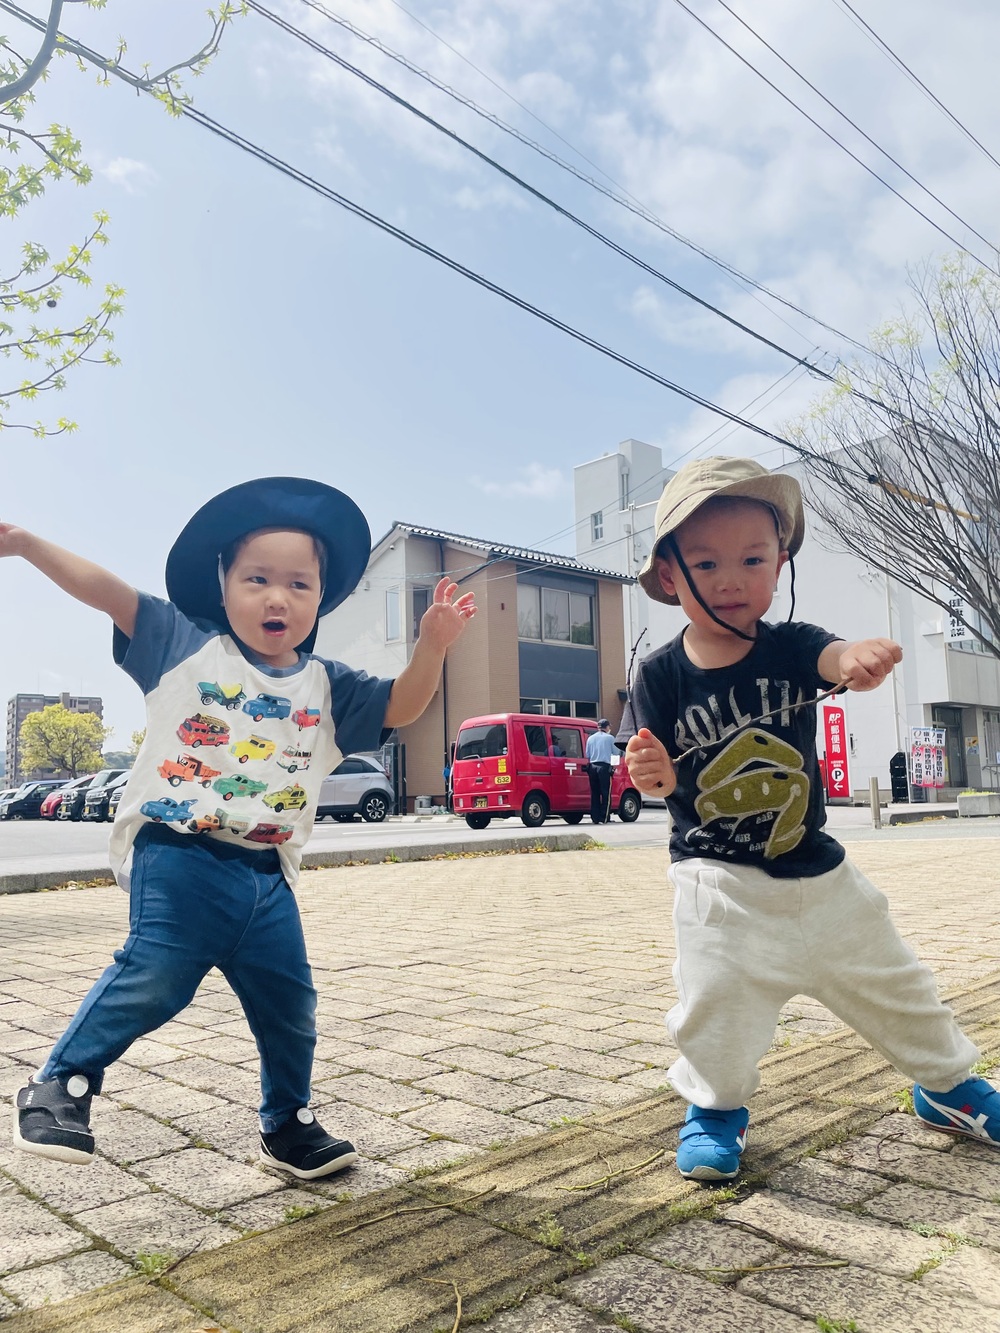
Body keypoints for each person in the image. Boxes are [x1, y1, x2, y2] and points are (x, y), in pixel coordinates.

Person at [2, 477, 475, 1179]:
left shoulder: (330, 685)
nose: (277, 597)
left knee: (291, 1006)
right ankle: (60, 1084)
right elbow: (109, 592)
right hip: (180, 852)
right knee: (156, 975)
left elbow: (404, 704)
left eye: (298, 583)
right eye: (257, 578)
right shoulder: (185, 645)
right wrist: (24, 543)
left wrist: (432, 646)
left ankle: (288, 1123)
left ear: (320, 599)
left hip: (267, 876)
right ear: (222, 585)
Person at [620, 456, 999, 1181]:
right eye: (706, 561)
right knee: (716, 1004)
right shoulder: (661, 673)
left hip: (820, 876)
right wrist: (655, 773)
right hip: (718, 883)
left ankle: (949, 1086)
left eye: (753, 559)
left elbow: (831, 657)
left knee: (897, 982)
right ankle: (714, 1108)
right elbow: (653, 763)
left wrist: (858, 656)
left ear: (780, 562)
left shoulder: (792, 645)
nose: (732, 577)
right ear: (669, 575)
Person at [585, 718, 616, 824]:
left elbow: (587, 755)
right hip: (604, 767)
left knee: (595, 793)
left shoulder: (590, 738)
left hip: (592, 767)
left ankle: (595, 817)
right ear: (606, 727)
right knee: (606, 793)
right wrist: (614, 767)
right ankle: (604, 817)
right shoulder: (610, 738)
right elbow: (616, 753)